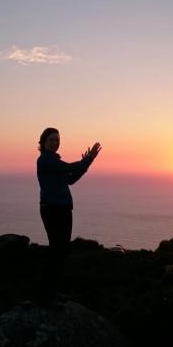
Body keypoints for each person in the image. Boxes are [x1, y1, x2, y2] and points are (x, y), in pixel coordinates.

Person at [36, 127, 101, 304]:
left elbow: (70, 178)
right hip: (53, 210)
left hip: (61, 209)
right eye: (51, 139)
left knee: (60, 252)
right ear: (43, 142)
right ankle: (46, 295)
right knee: (57, 252)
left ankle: (50, 293)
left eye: (57, 139)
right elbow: (70, 168)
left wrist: (86, 163)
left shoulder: (54, 162)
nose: (55, 142)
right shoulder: (45, 161)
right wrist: (88, 159)